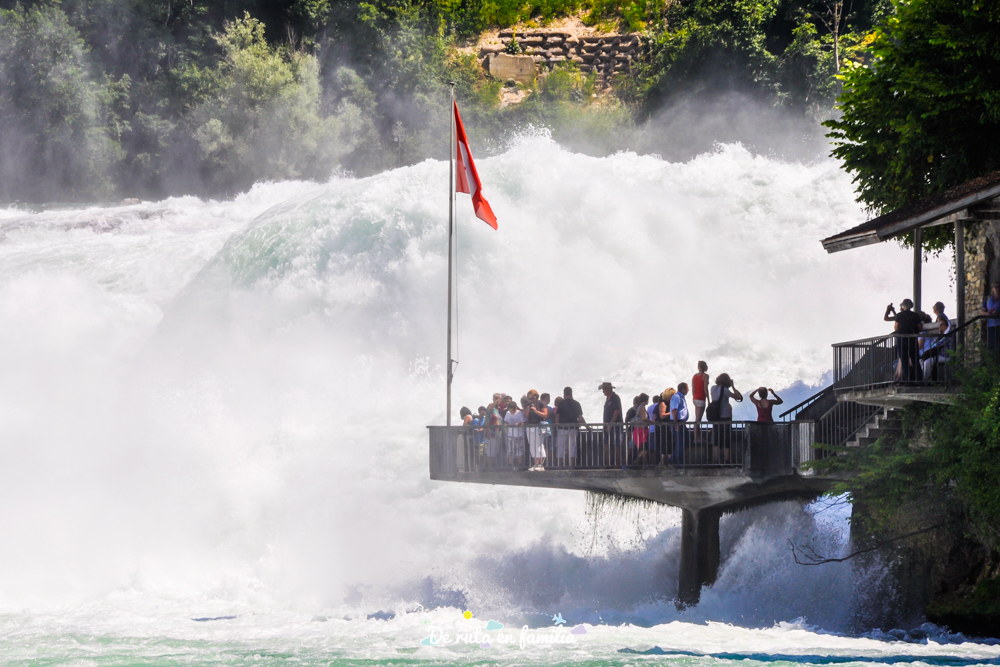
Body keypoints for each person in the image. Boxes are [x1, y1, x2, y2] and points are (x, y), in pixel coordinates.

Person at [885, 299, 927, 381]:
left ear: (902, 306)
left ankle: (907, 380)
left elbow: (895, 326)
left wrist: (888, 310)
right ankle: (919, 379)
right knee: (915, 359)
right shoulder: (915, 315)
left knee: (904, 360)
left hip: (902, 339)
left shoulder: (899, 315)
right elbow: (920, 328)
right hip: (912, 339)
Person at [709, 374, 743, 461]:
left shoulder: (713, 388)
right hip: (725, 417)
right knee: (726, 440)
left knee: (716, 440)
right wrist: (732, 386)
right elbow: (738, 397)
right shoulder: (725, 390)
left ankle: (715, 460)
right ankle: (726, 460)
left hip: (716, 417)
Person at [555, 387, 584, 467]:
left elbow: (557, 416)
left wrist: (557, 426)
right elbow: (580, 418)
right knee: (572, 448)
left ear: (564, 394)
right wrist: (578, 425)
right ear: (571, 393)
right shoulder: (576, 403)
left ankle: (560, 465)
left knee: (561, 447)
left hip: (562, 429)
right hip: (573, 429)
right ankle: (571, 466)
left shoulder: (561, 403)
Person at [921, 315, 955, 381]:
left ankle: (923, 380)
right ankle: (921, 378)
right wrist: (939, 334)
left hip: (946, 356)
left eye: (942, 325)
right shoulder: (941, 335)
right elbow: (932, 344)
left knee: (928, 361)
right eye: (940, 325)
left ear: (947, 326)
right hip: (939, 356)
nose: (940, 327)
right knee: (922, 361)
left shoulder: (948, 335)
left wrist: (939, 337)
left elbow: (936, 345)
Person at [599, 382, 623, 466]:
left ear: (608, 389)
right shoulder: (607, 399)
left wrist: (611, 425)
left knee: (617, 445)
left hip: (615, 426)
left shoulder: (615, 398)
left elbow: (616, 412)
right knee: (605, 444)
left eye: (604, 389)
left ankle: (618, 465)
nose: (603, 391)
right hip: (607, 425)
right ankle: (608, 464)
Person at [525, 389, 549, 471]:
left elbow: (545, 414)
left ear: (537, 397)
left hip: (539, 426)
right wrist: (528, 409)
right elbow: (526, 417)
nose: (531, 400)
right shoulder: (529, 405)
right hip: (530, 427)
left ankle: (541, 464)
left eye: (533, 398)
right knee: (532, 446)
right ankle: (535, 464)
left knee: (539, 444)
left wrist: (536, 411)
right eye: (529, 398)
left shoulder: (541, 403)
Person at [669, 383, 690, 465]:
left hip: (681, 422)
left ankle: (673, 460)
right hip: (677, 422)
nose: (688, 390)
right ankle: (676, 462)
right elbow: (674, 410)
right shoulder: (677, 397)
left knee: (685, 441)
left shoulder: (681, 397)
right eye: (687, 388)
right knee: (681, 442)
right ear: (683, 389)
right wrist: (676, 423)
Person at [630, 393, 650, 466]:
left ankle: (638, 461)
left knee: (642, 447)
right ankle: (643, 463)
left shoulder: (638, 407)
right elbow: (643, 418)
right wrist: (651, 421)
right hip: (642, 430)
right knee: (645, 447)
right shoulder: (642, 407)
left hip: (638, 429)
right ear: (645, 400)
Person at [691, 361, 711, 434]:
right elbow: (705, 388)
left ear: (698, 367)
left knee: (697, 418)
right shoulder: (705, 376)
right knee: (698, 419)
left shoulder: (694, 376)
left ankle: (697, 435)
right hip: (701, 398)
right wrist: (708, 400)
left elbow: (693, 388)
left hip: (695, 398)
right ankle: (696, 436)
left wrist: (694, 397)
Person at [981, 281, 1000, 354]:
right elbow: (982, 311)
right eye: (996, 287)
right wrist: (988, 314)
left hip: (999, 324)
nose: (998, 289)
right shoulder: (988, 298)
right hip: (990, 325)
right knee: (992, 345)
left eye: (999, 287)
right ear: (992, 288)